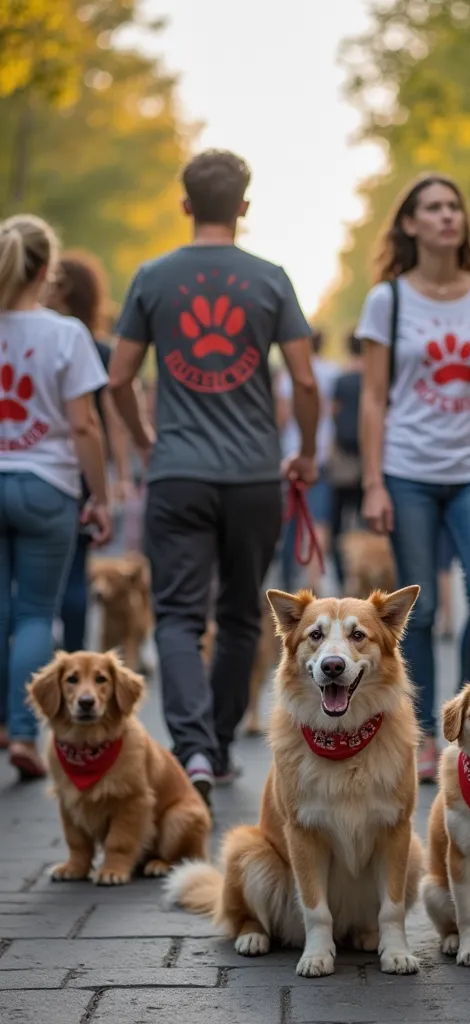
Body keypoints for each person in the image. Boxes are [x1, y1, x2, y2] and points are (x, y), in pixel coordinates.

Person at [108, 149, 318, 804]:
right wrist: (305, 451)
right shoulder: (272, 279)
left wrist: (146, 441)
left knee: (175, 613)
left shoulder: (151, 277)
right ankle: (220, 746)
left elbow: (118, 379)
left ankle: (191, 747)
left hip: (178, 474)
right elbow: (306, 378)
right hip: (255, 474)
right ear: (244, 208)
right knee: (239, 614)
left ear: (185, 204)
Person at [357, 174, 470, 782]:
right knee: (418, 611)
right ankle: (427, 735)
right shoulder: (389, 300)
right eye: (433, 207)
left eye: (454, 206)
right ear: (410, 224)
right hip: (408, 470)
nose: (447, 216)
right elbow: (373, 398)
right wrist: (374, 482)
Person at [0, 215, 111, 777]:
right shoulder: (66, 334)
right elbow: (86, 426)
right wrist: (102, 495)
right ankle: (23, 735)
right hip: (46, 485)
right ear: (46, 270)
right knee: (36, 612)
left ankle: (1, 721)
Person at [47, 250, 132, 650]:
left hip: (25, 465)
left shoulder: (34, 337)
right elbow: (109, 421)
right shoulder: (100, 350)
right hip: (77, 472)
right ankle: (75, 659)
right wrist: (116, 479)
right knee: (75, 573)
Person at [276, 329, 338, 593]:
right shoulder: (332, 372)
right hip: (322, 455)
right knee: (319, 519)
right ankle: (314, 579)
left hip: (291, 455)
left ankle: (291, 579)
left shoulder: (285, 378)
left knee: (292, 519)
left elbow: (281, 417)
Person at [329, 330, 364, 588]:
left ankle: (343, 575)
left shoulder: (342, 379)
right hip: (368, 458)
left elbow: (334, 416)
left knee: (338, 521)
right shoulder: (373, 378)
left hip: (344, 459)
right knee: (365, 521)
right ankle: (366, 572)